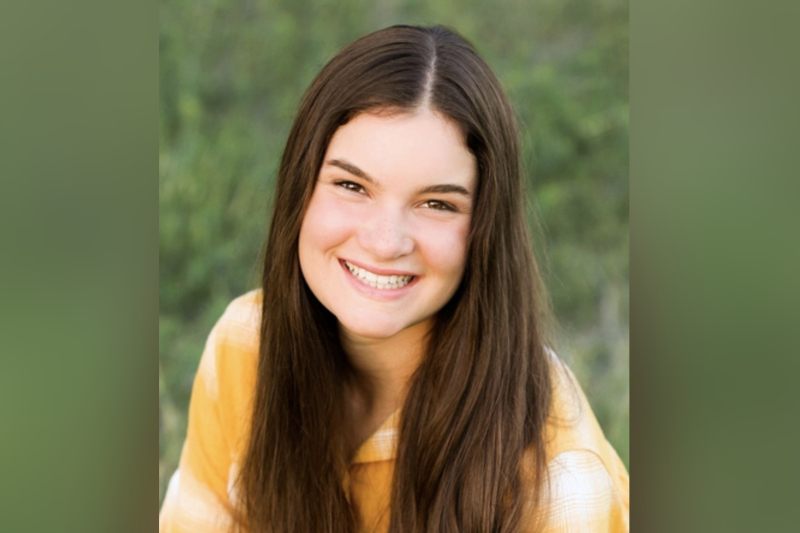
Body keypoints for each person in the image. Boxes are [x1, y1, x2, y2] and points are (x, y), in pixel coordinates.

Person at [159, 25, 629, 533]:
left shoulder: (561, 482)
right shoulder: (245, 347)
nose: (386, 242)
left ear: (486, 230)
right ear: (300, 189)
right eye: (351, 185)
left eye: (436, 204)